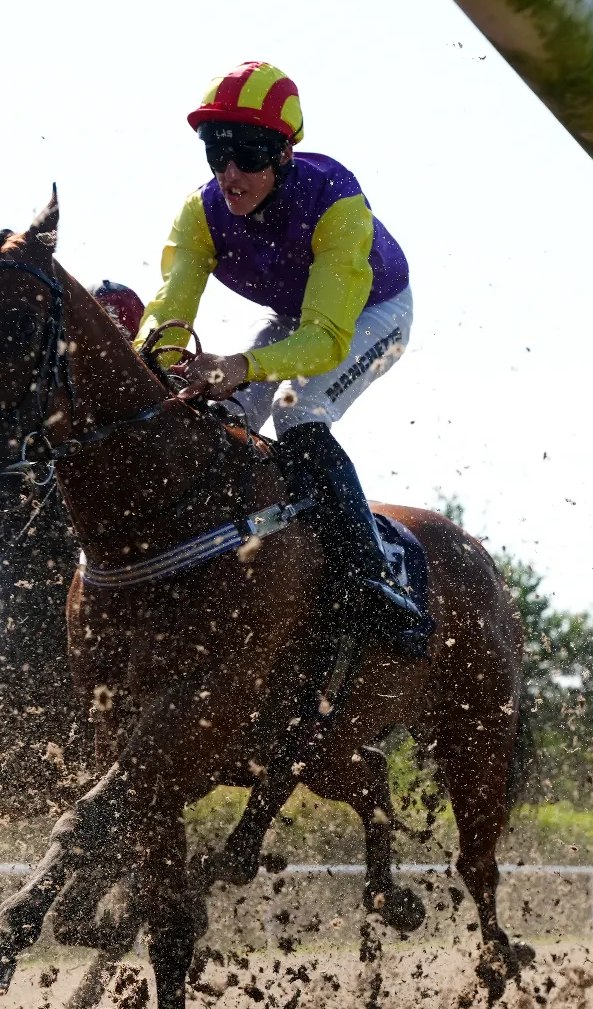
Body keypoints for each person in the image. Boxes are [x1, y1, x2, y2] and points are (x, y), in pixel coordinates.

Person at [134, 61, 423, 640]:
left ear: (284, 154)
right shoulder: (201, 213)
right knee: (220, 416)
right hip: (294, 318)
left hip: (372, 315)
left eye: (249, 156)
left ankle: (373, 583)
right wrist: (147, 370)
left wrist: (241, 365)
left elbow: (324, 341)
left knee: (298, 414)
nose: (231, 174)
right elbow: (165, 321)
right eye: (218, 155)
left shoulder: (337, 200)